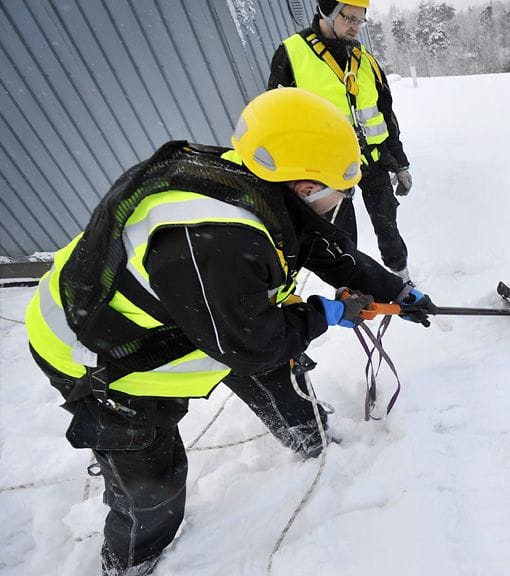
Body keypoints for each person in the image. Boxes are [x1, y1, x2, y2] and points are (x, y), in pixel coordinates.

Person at [24, 87, 435, 576]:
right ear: (304, 187)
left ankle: (309, 435)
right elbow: (251, 345)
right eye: (338, 188)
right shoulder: (216, 241)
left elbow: (321, 246)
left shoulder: (258, 182)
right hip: (102, 357)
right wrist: (326, 315)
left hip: (202, 311)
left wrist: (394, 290)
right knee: (152, 489)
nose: (343, 198)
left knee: (279, 370)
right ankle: (130, 561)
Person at [268, 0, 414, 282]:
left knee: (388, 226)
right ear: (327, 12)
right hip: (326, 169)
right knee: (339, 236)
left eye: (361, 21)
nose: (355, 28)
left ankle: (402, 277)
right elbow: (278, 119)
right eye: (349, 19)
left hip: (372, 160)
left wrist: (401, 163)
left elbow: (386, 115)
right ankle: (353, 288)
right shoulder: (292, 54)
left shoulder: (365, 60)